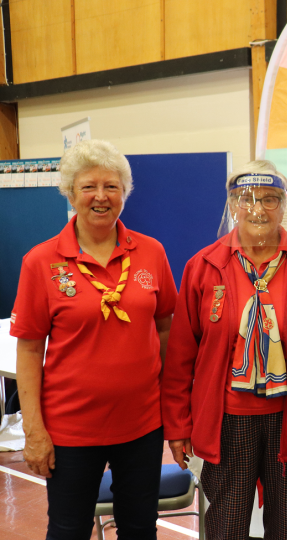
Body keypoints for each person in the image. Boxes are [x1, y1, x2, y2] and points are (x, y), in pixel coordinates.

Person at [10, 139, 177, 539]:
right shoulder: (41, 261)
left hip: (141, 426)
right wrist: (34, 431)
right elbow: (29, 350)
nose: (101, 196)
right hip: (70, 431)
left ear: (124, 193)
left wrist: (172, 410)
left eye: (111, 186)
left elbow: (166, 329)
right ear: (70, 193)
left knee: (140, 529)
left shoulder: (151, 252)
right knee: (68, 530)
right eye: (89, 187)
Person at [161, 161, 287, 539]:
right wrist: (178, 426)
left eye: (270, 199)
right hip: (225, 421)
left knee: (285, 528)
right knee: (226, 528)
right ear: (232, 205)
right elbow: (180, 356)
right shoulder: (203, 266)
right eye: (247, 199)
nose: (258, 209)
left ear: (284, 205)